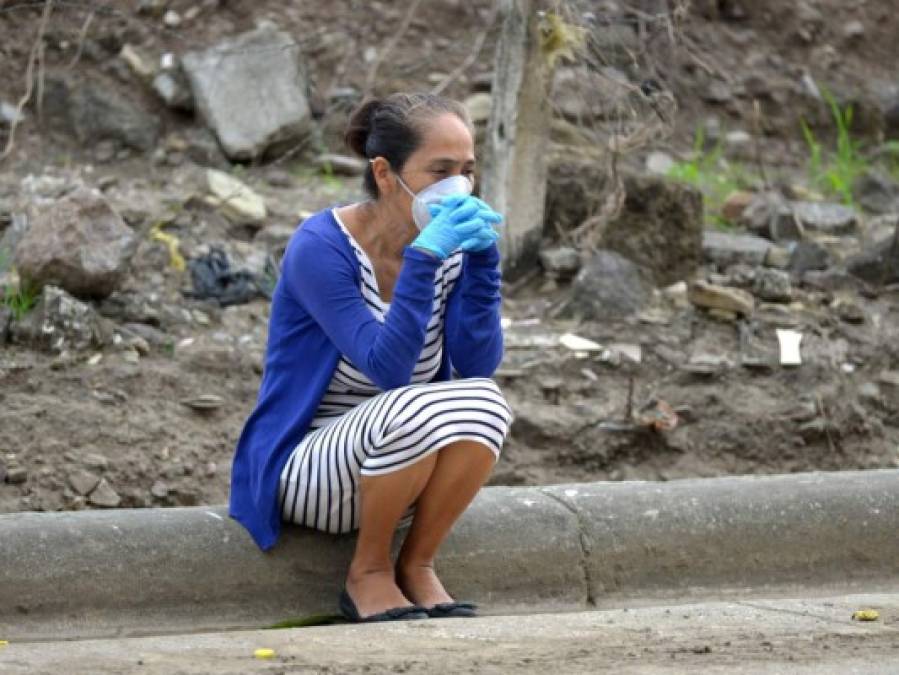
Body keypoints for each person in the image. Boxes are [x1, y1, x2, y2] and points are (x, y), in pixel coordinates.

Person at [228, 92, 513, 623]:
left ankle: (417, 564)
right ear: (385, 173)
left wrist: (483, 266)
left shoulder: (449, 246)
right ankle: (367, 573)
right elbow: (389, 370)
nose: (458, 186)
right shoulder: (321, 246)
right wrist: (424, 260)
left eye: (468, 170)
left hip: (407, 462)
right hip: (310, 470)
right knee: (411, 405)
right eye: (440, 170)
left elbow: (477, 365)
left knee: (488, 402)